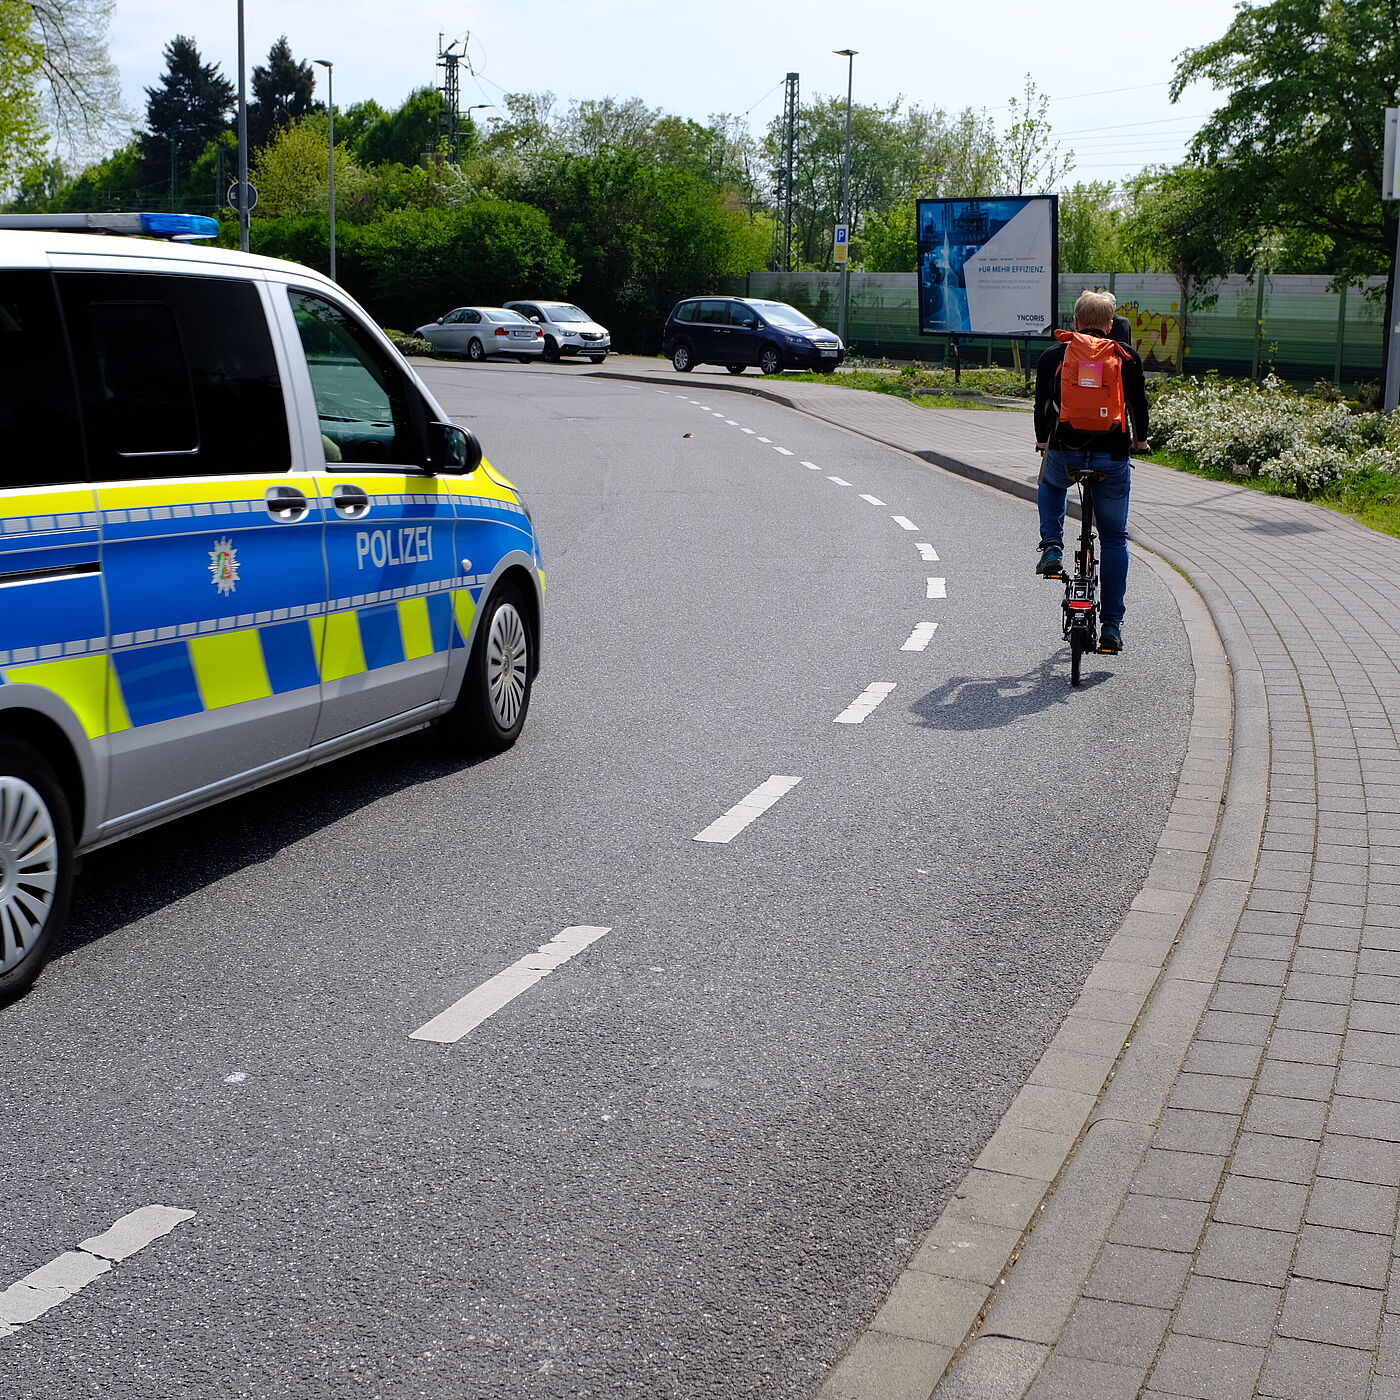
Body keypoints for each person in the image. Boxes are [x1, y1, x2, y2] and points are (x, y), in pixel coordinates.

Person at [1033, 289, 1149, 655]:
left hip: (1066, 452)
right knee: (1114, 538)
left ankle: (1052, 546)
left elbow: (1041, 406)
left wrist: (1042, 441)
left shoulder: (1055, 354)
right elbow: (1138, 406)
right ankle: (1112, 625)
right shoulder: (1125, 356)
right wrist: (1140, 441)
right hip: (1112, 456)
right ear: (1111, 325)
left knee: (1050, 485)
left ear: (1076, 322)